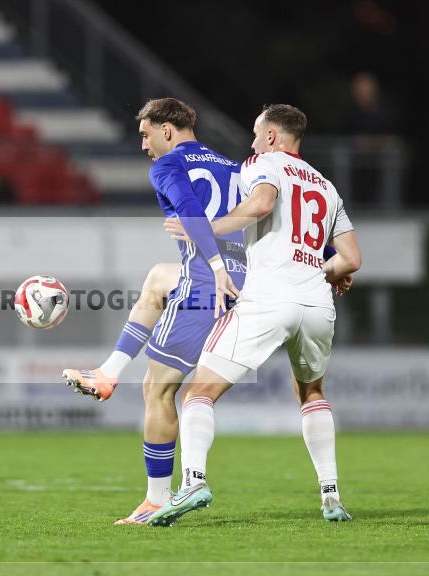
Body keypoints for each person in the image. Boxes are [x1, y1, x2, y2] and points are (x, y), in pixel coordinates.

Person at [147, 104, 361, 526]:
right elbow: (351, 259)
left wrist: (207, 228)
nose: (251, 141)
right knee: (312, 393)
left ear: (272, 137)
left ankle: (192, 482)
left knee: (197, 394)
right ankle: (331, 496)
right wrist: (324, 271)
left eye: (256, 133)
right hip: (318, 303)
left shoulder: (262, 163)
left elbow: (262, 204)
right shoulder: (326, 186)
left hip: (269, 297)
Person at [65, 98, 245, 525]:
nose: (144, 145)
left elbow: (190, 211)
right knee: (158, 278)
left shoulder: (168, 165)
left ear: (167, 130)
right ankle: (108, 372)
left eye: (147, 135)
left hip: (210, 284)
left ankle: (157, 500)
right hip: (249, 282)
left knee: (157, 390)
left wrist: (215, 267)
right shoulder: (235, 166)